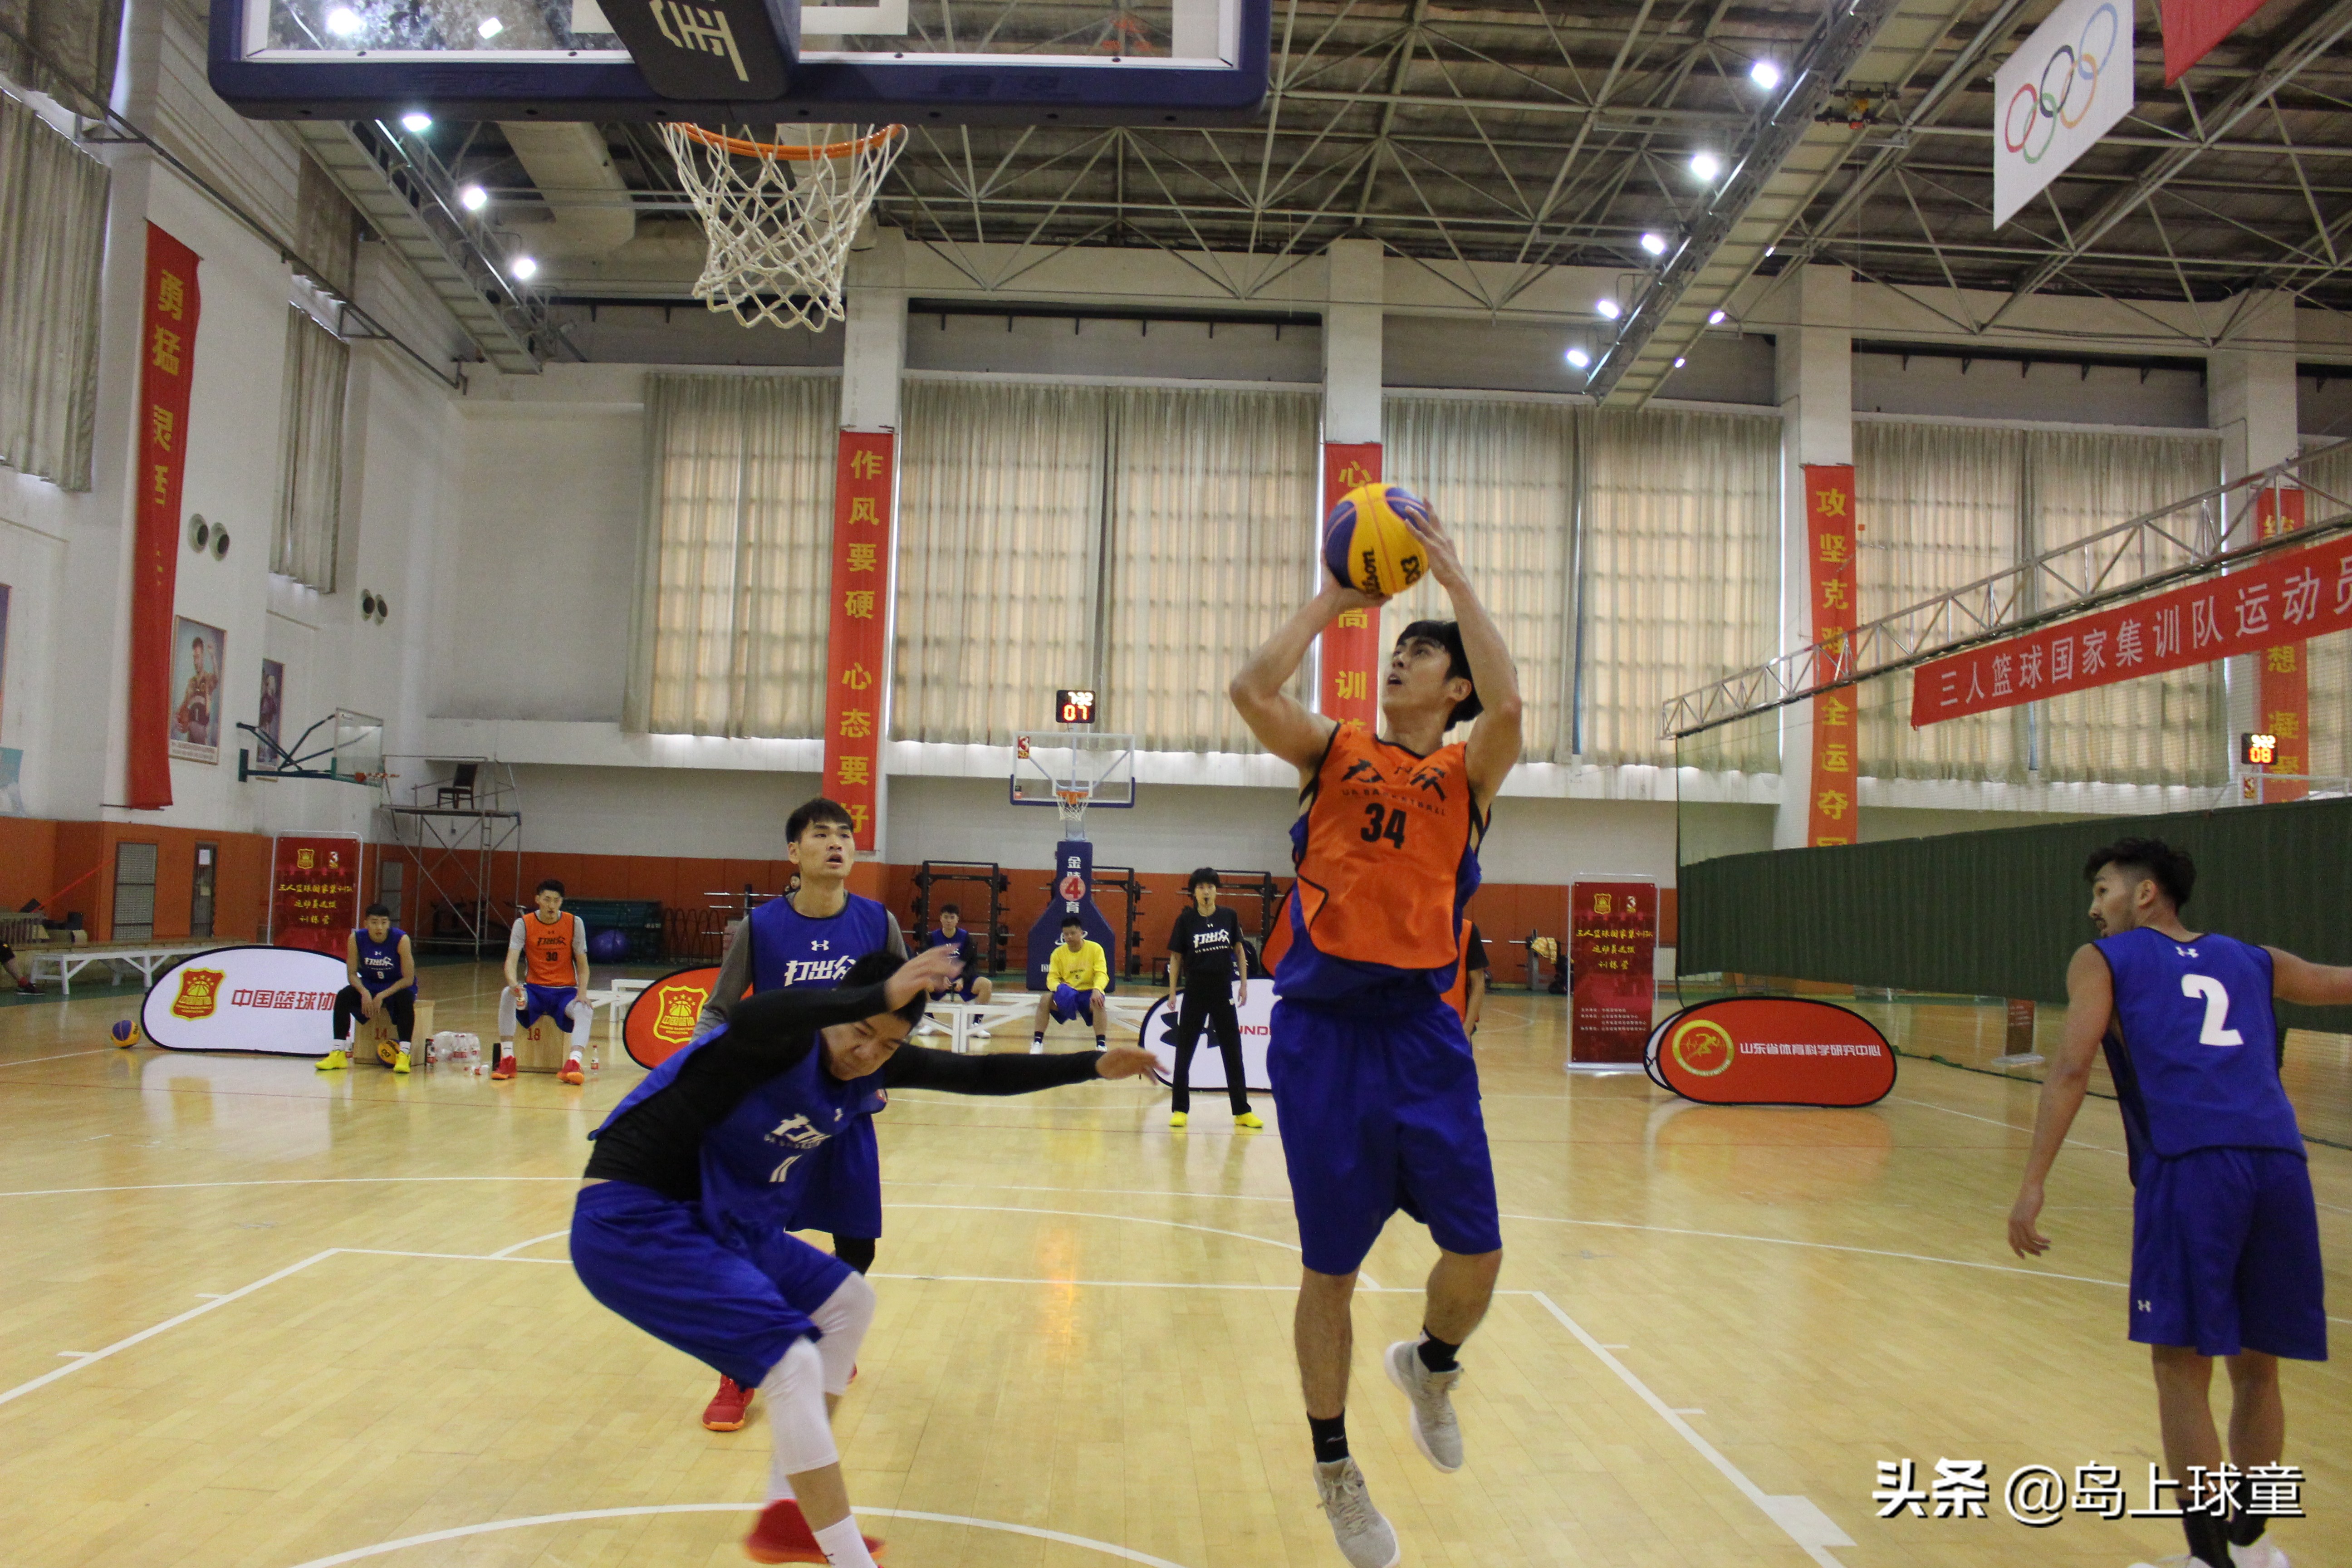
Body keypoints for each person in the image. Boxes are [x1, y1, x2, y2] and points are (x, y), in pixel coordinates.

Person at [573, 945, 1160, 1568]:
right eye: (859, 1033)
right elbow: (750, 1017)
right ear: (839, 1010)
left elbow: (979, 1076)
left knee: (849, 1301)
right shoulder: (775, 1042)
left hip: (718, 1221)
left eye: (885, 1046)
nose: (867, 1054)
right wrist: (875, 1000)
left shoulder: (875, 1062)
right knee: (791, 1362)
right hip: (631, 1219)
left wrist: (1093, 1066)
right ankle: (849, 1557)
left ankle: (785, 1510)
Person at [1229, 502, 1522, 1568]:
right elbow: (1249, 689)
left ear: (1453, 691)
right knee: (1329, 1268)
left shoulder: (1465, 777)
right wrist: (1337, 596)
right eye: (1393, 649)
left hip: (1421, 1031)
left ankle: (1431, 1363)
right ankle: (1334, 1467)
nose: (1399, 660)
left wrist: (1450, 576)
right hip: (1320, 1034)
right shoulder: (1330, 750)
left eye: (1422, 655)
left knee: (1478, 1252)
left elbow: (1511, 701)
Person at [2007, 838, 2348, 1568]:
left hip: (2193, 1168)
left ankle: (2209, 1558)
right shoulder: (2253, 957)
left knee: (2179, 1366)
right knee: (2259, 1365)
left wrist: (2033, 1180)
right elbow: (2333, 982)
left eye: (2103, 891)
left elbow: (2070, 1067)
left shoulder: (2103, 960)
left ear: (2146, 894)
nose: (2093, 908)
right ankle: (2252, 1541)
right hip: (2280, 1165)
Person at [691, 797, 907, 1433]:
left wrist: (888, 1064)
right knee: (754, 1245)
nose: (838, 844)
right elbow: (719, 1009)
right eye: (822, 835)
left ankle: (817, 1335)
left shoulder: (877, 922)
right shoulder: (760, 929)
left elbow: (905, 1002)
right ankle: (739, 1369)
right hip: (772, 1116)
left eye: (846, 835)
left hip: (847, 1108)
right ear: (795, 852)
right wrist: (696, 1067)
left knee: (857, 1247)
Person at [1164, 867, 1260, 1130]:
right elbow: (1176, 958)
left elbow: (1239, 951)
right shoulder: (1186, 921)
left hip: (1223, 991)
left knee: (1233, 1051)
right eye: (1200, 887)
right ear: (1193, 892)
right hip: (1195, 991)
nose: (1206, 891)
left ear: (1217, 890)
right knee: (1184, 1051)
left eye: (1210, 886)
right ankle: (1180, 1110)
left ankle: (1242, 1110)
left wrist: (1243, 984)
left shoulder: (1229, 916)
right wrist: (1173, 992)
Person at [497, 878, 593, 1085]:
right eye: (547, 900)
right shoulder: (523, 924)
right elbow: (511, 961)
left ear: (562, 902)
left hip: (565, 992)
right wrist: (514, 985)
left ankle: (574, 1063)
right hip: (535, 991)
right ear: (538, 900)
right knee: (507, 994)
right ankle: (507, 1059)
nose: (552, 905)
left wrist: (582, 993)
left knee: (585, 1009)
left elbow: (583, 966)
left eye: (557, 901)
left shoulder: (575, 923)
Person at [321, 903, 417, 1073]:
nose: (379, 927)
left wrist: (382, 995)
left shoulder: (401, 940)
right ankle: (338, 1052)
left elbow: (408, 979)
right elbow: (351, 974)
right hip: (370, 984)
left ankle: (404, 1053)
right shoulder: (356, 939)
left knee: (405, 999)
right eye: (374, 922)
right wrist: (364, 991)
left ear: (389, 924)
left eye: (384, 922)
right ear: (366, 924)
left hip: (395, 985)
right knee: (344, 996)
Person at [1032, 914, 1109, 1055]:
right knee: (1045, 1000)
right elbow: (1052, 978)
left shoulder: (1095, 949)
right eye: (1066, 934)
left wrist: (1098, 989)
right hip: (1068, 993)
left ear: (1081, 932)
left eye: (1073, 933)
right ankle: (1037, 1042)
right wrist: (1060, 988)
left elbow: (1101, 973)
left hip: (1088, 992)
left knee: (1099, 1002)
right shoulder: (1058, 953)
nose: (1070, 937)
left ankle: (1101, 1044)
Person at [927, 902, 994, 1013]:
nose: (949, 921)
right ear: (941, 919)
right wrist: (941, 976)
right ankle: (930, 1022)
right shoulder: (932, 938)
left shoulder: (966, 938)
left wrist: (962, 978)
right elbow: (928, 963)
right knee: (920, 984)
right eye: (946, 917)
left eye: (952, 918)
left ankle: (976, 1024)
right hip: (939, 980)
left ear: (957, 920)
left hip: (963, 980)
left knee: (986, 984)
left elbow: (972, 964)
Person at [1446, 921, 1489, 1037]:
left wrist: (1467, 1029)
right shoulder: (1415, 925)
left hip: (1456, 1026)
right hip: (1418, 1026)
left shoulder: (1468, 930)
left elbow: (1478, 982)